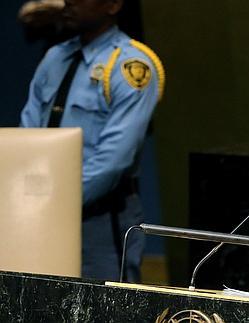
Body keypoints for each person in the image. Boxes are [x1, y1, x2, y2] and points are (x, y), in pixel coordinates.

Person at [20, 0, 165, 282]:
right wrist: (32, 196)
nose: (70, 1)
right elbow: (28, 135)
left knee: (105, 304)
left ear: (112, 5)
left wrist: (54, 200)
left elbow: (113, 161)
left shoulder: (131, 67)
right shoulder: (55, 58)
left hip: (102, 215)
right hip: (40, 208)